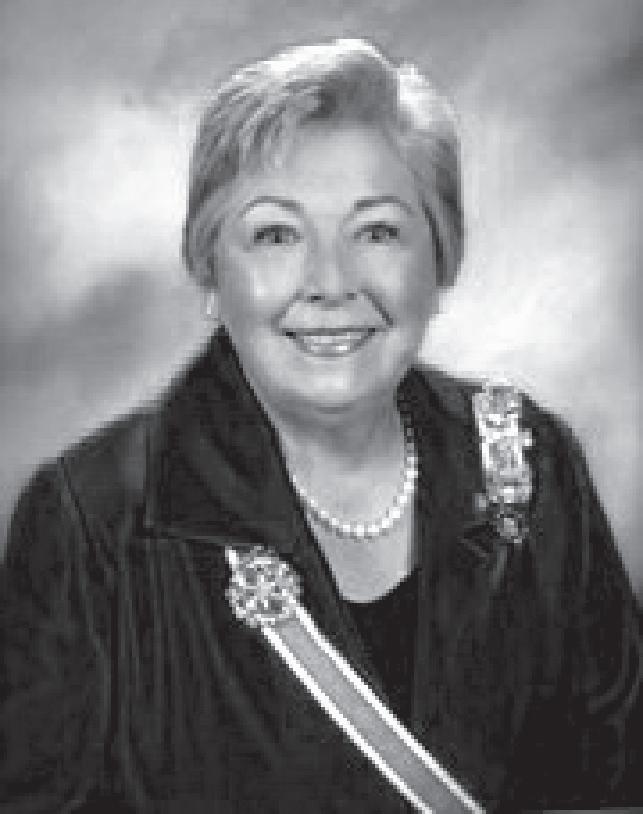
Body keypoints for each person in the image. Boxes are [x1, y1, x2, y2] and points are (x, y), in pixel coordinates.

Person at [1, 37, 641, 814]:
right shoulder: (90, 522)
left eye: (377, 232)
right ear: (208, 268)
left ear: (442, 260)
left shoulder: (530, 466)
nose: (330, 283)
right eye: (276, 235)